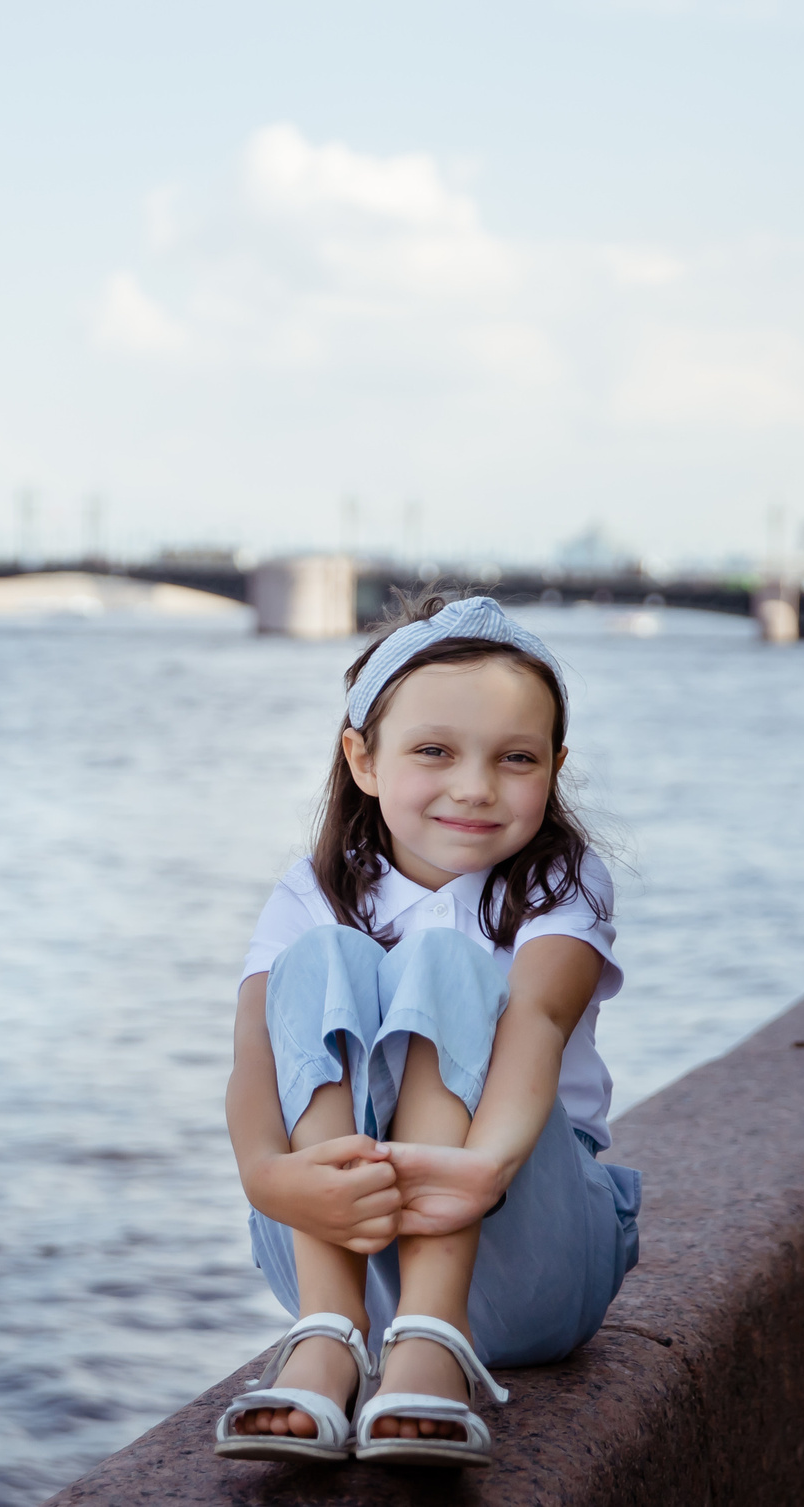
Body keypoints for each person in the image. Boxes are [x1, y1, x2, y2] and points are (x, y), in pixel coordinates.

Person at [212, 594, 641, 1469]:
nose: (475, 785)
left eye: (516, 757)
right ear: (363, 758)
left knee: (444, 959)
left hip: (526, 1244)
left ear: (555, 766)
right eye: (435, 751)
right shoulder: (311, 892)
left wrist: (485, 1168)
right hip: (340, 1240)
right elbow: (254, 1056)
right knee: (321, 956)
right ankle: (327, 1336)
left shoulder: (559, 880)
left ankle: (434, 1335)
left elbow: (539, 1019)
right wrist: (267, 1176)